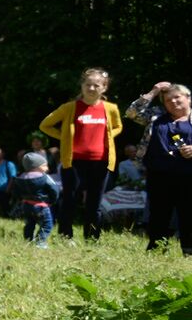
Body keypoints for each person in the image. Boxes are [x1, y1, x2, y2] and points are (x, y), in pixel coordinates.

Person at [39, 67, 123, 242]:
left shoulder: (111, 108)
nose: (91, 88)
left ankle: (92, 238)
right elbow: (45, 125)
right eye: (88, 84)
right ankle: (65, 237)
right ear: (82, 86)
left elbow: (117, 127)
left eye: (96, 85)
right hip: (74, 162)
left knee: (95, 202)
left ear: (104, 87)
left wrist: (108, 136)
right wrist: (64, 137)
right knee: (70, 200)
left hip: (101, 162)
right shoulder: (70, 107)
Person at [130, 82, 192, 255]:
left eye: (177, 97)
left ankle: (189, 250)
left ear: (188, 98)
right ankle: (157, 249)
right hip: (159, 174)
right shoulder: (157, 116)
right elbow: (132, 113)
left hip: (188, 176)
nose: (173, 102)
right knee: (158, 214)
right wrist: (154, 91)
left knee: (189, 214)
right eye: (167, 100)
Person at [11, 151, 60, 248]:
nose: (47, 168)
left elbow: (15, 192)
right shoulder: (45, 177)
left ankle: (28, 240)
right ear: (37, 166)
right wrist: (52, 201)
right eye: (45, 165)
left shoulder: (21, 177)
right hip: (41, 206)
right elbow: (54, 190)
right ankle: (40, 242)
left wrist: (20, 199)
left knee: (29, 224)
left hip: (26, 205)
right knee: (47, 224)